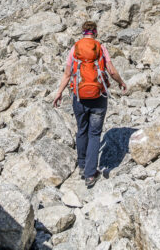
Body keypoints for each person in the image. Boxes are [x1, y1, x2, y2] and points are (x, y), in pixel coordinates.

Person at [53, 20, 127, 188]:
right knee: (94, 134)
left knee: (82, 130)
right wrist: (121, 82)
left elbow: (67, 74)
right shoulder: (100, 48)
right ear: (95, 32)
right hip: (99, 97)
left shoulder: (75, 48)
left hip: (79, 97)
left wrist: (59, 93)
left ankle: (82, 165)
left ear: (83, 32)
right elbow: (112, 71)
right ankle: (90, 174)